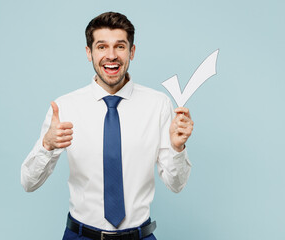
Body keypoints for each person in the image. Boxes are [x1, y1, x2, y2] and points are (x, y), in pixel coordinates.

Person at [21, 12, 193, 240]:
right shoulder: (64, 107)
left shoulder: (158, 104)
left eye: (120, 46)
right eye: (101, 47)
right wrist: (47, 146)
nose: (111, 56)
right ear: (88, 52)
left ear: (131, 51)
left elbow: (176, 185)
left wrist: (177, 148)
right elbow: (28, 183)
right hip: (81, 236)